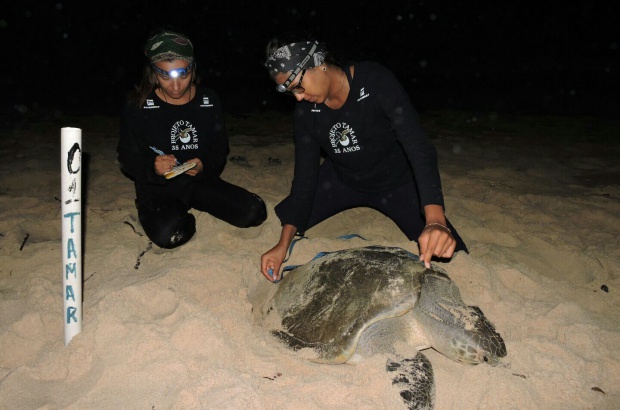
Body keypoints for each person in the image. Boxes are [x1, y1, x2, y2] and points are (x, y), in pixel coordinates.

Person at [260, 36, 468, 282]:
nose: (298, 97)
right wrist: (283, 246)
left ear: (318, 63)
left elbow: (418, 146)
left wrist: (435, 218)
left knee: (449, 253)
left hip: (396, 183)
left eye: (298, 86)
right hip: (342, 180)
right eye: (291, 91)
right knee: (286, 218)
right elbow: (305, 177)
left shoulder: (374, 80)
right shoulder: (306, 111)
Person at [118, 29, 266, 249]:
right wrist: (153, 167)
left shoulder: (209, 100)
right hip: (157, 188)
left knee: (255, 212)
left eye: (183, 75)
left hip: (199, 182)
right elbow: (126, 156)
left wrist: (204, 164)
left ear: (193, 68)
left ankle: (196, 205)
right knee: (169, 235)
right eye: (165, 75)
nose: (176, 86)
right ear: (152, 72)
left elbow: (219, 148)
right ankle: (178, 216)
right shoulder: (138, 104)